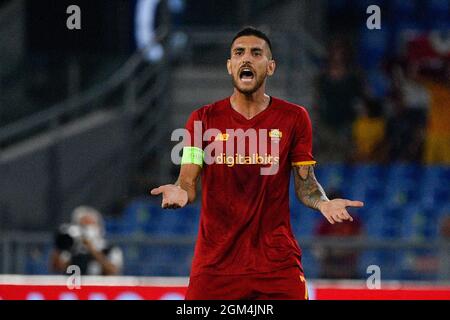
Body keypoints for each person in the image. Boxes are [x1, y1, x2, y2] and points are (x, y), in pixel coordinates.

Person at [151, 27, 364, 300]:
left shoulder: (294, 118)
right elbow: (188, 181)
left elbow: (305, 183)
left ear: (271, 67)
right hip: (216, 266)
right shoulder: (201, 119)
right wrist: (180, 192)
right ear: (230, 66)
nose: (246, 59)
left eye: (256, 53)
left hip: (276, 265)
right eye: (239, 53)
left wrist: (323, 202)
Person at [50, 206, 123, 276]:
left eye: (90, 225)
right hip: (76, 287)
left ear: (99, 227)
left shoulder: (109, 249)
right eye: (82, 226)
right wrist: (61, 244)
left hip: (98, 287)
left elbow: (113, 271)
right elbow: (56, 268)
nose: (86, 229)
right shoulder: (72, 249)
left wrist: (92, 249)